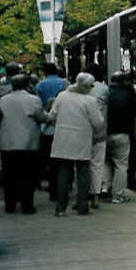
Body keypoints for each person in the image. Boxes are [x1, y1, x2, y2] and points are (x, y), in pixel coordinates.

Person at [49, 72, 105, 216]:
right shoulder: (90, 101)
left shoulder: (62, 96)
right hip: (82, 141)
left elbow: (52, 116)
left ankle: (60, 208)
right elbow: (98, 123)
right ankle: (82, 206)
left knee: (63, 173)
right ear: (88, 86)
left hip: (63, 139)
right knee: (83, 173)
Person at [0, 74, 48, 214]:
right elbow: (41, 117)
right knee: (28, 176)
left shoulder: (3, 100)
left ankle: (10, 205)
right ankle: (27, 205)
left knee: (9, 176)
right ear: (28, 85)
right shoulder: (34, 100)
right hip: (28, 144)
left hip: (8, 144)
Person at [102, 71, 136, 204]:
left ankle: (105, 187)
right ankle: (118, 195)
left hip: (105, 133)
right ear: (124, 81)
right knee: (121, 165)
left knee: (106, 161)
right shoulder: (129, 93)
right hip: (122, 133)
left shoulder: (105, 92)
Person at [35, 63, 67, 200]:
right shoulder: (65, 83)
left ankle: (53, 188)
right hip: (63, 123)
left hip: (46, 126)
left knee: (50, 159)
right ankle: (65, 185)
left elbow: (38, 104)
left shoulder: (40, 85)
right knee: (63, 160)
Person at [87, 63, 109, 209]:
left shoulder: (79, 90)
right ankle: (95, 195)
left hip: (82, 132)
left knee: (82, 165)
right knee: (97, 164)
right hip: (100, 132)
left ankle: (83, 195)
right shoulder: (104, 89)